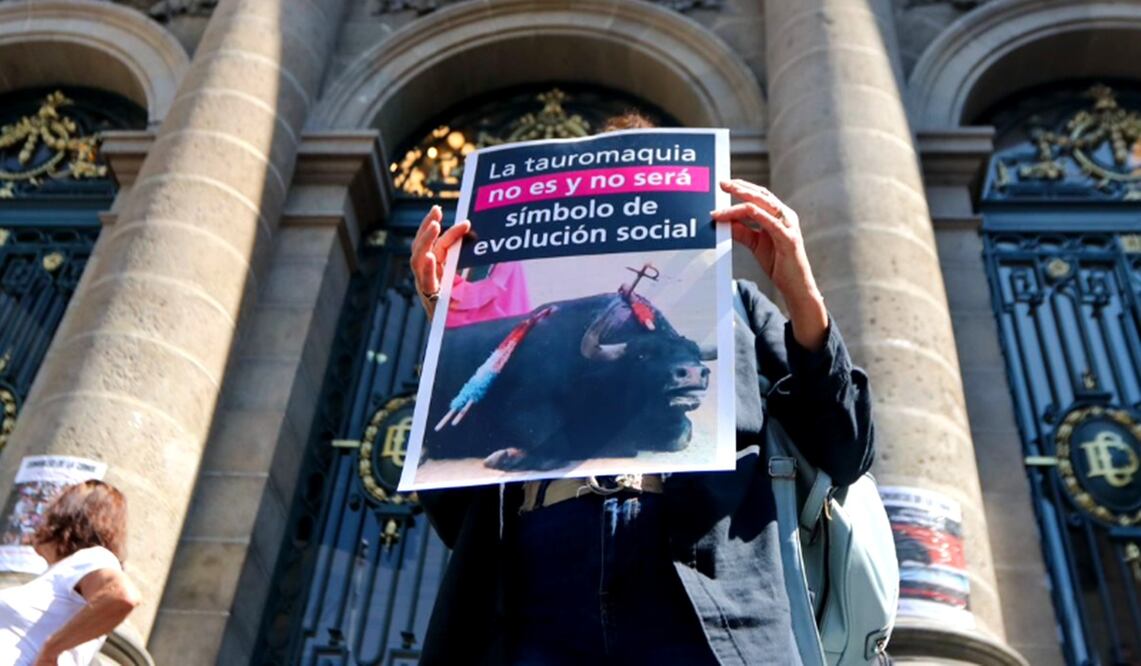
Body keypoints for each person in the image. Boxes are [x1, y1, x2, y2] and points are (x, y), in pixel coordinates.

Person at [409, 112, 874, 665]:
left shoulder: (742, 309)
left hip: (710, 586)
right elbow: (452, 509)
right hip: (536, 578)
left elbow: (847, 450)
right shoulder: (547, 322)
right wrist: (445, 327)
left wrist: (802, 293)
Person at [0, 480, 142, 666]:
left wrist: (52, 650)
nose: (41, 518)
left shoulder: (90, 558)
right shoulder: (60, 573)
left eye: (51, 509)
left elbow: (122, 595)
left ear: (68, 514)